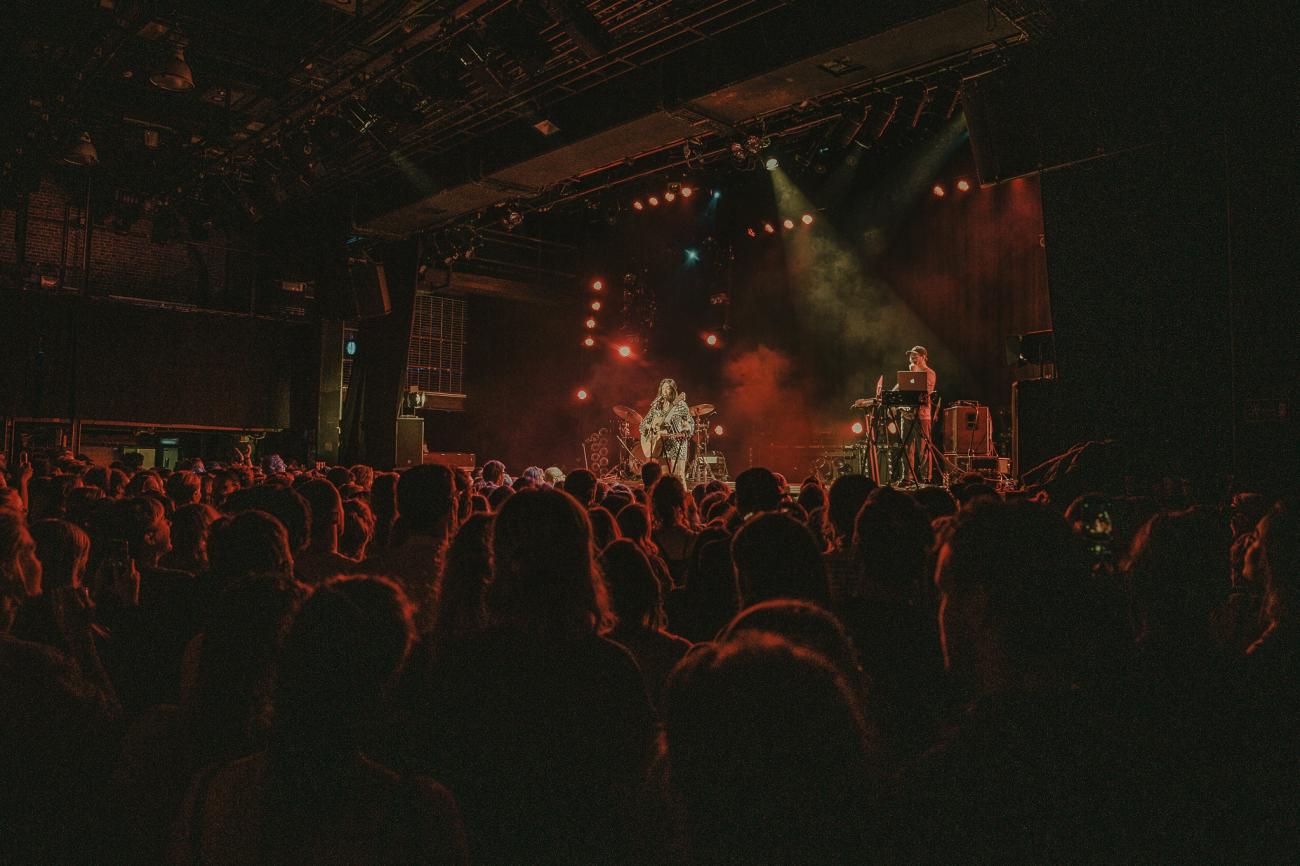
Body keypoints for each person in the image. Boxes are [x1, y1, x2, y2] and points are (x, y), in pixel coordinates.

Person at [639, 378, 694, 485]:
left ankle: (681, 499)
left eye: (668, 388)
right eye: (663, 388)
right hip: (660, 445)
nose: (665, 391)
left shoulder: (680, 405)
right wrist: (651, 427)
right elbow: (643, 424)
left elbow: (690, 422)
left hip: (677, 444)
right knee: (664, 478)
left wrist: (685, 431)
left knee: (678, 478)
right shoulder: (657, 406)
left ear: (673, 390)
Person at [899, 345, 937, 484]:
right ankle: (907, 478)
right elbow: (899, 388)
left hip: (922, 417)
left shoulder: (929, 373)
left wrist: (914, 372)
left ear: (923, 357)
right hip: (907, 416)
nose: (912, 357)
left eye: (915, 355)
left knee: (923, 449)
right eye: (911, 355)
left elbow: (922, 392)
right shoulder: (909, 374)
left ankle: (926, 478)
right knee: (907, 448)